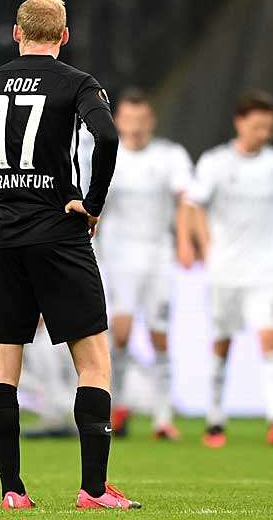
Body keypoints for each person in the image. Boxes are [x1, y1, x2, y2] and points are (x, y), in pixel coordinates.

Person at [0, 0, 138, 510]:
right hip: (61, 235)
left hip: (8, 239)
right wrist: (93, 204)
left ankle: (12, 491)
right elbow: (106, 136)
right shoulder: (78, 83)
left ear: (16, 33)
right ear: (64, 36)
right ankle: (94, 489)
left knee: (3, 367)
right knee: (94, 365)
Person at [186, 90, 273, 448]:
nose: (264, 134)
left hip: (266, 269)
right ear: (240, 123)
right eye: (258, 126)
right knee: (222, 342)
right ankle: (215, 419)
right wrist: (204, 245)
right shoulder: (215, 163)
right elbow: (194, 207)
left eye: (269, 127)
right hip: (225, 269)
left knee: (271, 337)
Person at [96, 88, 194, 440]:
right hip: (120, 255)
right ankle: (116, 409)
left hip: (158, 254)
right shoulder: (106, 153)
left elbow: (186, 199)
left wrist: (184, 241)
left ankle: (163, 417)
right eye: (128, 120)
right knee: (119, 334)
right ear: (118, 121)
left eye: (141, 120)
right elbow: (96, 205)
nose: (135, 127)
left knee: (159, 335)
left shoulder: (170, 156)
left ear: (150, 121)